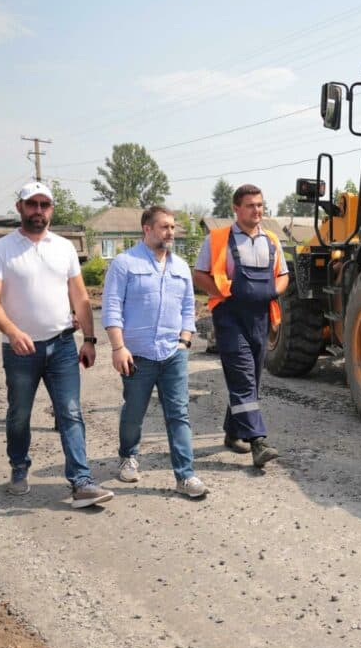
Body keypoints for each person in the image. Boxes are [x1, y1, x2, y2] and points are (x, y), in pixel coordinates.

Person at [0, 180, 113, 508]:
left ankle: (81, 482)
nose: (38, 210)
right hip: (19, 351)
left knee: (71, 412)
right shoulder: (1, 249)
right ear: (20, 207)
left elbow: (79, 296)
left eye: (44, 205)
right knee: (19, 414)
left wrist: (90, 339)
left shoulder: (64, 248)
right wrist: (12, 332)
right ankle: (18, 466)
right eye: (32, 204)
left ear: (51, 209)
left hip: (62, 346)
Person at [102, 206, 208, 499]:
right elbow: (112, 308)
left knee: (179, 414)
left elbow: (188, 307)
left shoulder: (180, 267)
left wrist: (185, 340)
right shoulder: (125, 264)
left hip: (173, 353)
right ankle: (128, 455)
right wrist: (118, 347)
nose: (170, 232)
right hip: (137, 354)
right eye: (164, 227)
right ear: (146, 229)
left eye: (172, 227)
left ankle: (185, 476)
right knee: (134, 412)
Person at [193, 184, 288, 468]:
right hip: (230, 317)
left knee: (250, 379)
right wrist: (224, 293)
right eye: (250, 205)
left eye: (260, 205)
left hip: (260, 317)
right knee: (244, 377)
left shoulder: (271, 240)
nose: (257, 210)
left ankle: (233, 432)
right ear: (236, 208)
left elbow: (283, 275)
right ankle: (258, 441)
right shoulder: (218, 239)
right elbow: (200, 274)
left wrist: (272, 291)